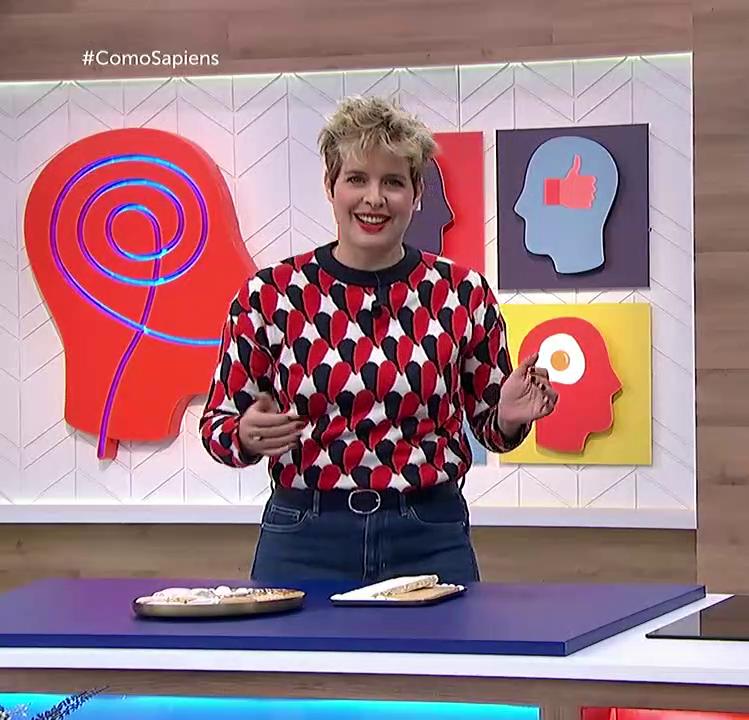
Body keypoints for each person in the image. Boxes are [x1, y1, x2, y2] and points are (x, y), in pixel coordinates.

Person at [199, 95, 558, 585]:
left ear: (417, 193)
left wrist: (510, 417)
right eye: (356, 179)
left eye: (392, 182)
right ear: (330, 187)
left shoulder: (461, 293)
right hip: (303, 536)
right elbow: (217, 427)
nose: (374, 198)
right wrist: (244, 434)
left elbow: (492, 429)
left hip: (429, 533)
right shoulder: (270, 294)